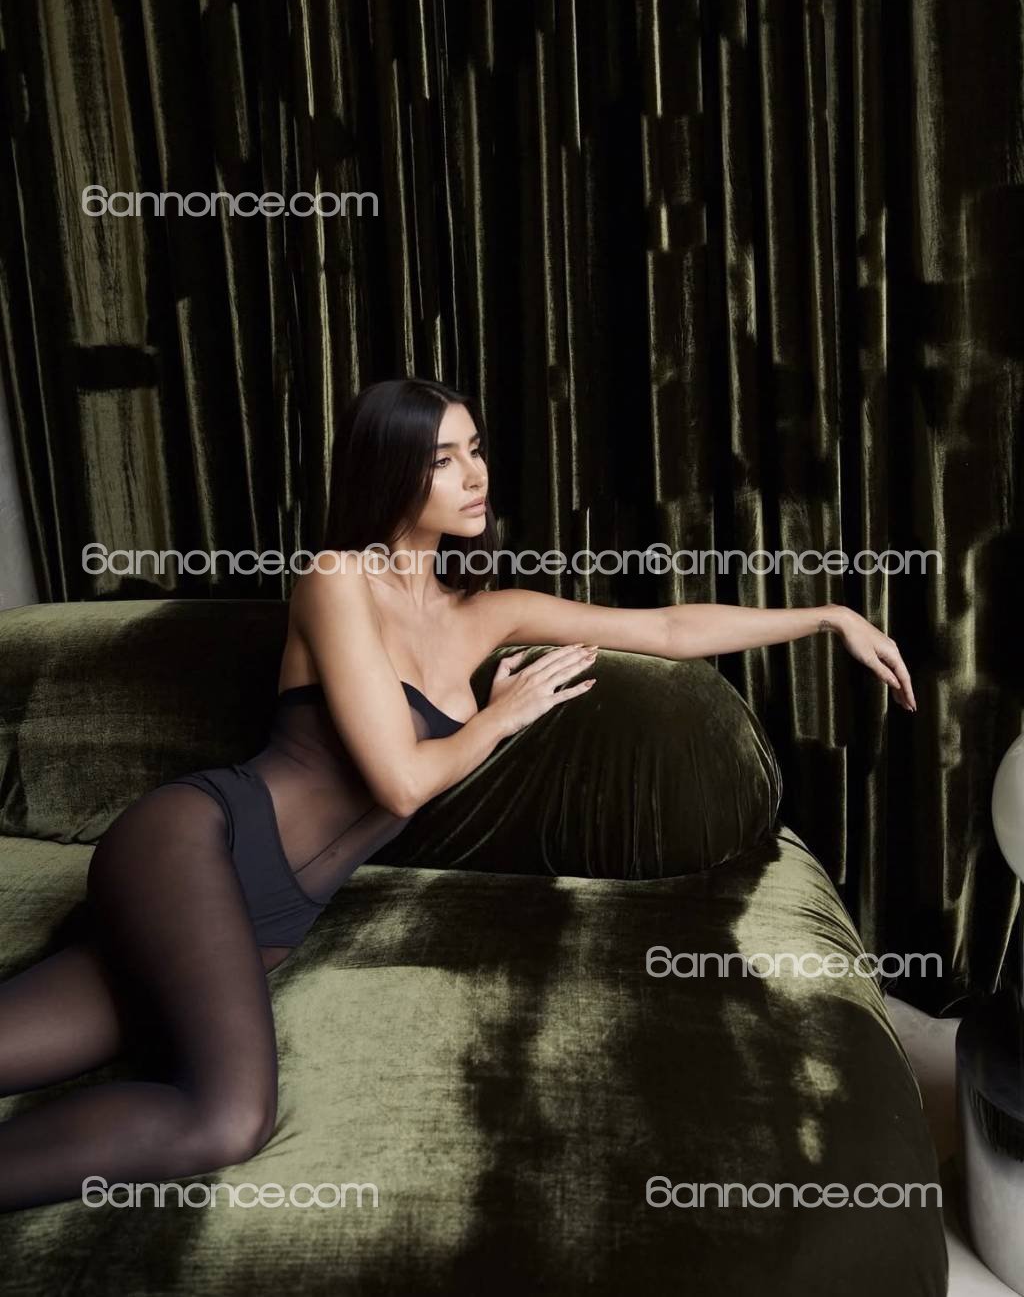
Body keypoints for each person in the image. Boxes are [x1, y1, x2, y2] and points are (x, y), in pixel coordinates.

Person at [0, 376, 916, 1212]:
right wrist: (498, 718)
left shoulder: (486, 614)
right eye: (443, 459)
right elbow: (400, 779)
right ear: (389, 471)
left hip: (268, 921)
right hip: (194, 845)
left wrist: (827, 615)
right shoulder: (336, 581)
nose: (474, 474)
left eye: (474, 449)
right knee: (227, 1118)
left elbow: (669, 627)